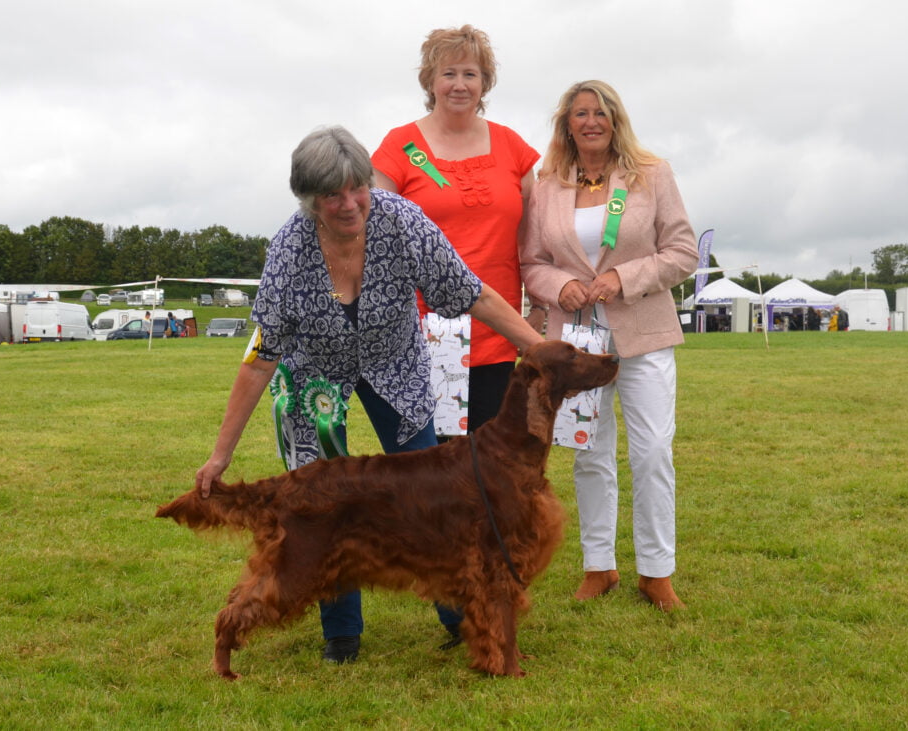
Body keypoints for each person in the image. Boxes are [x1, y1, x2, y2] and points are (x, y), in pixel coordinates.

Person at [195, 126, 542, 664]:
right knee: (320, 504)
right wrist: (221, 453)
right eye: (332, 195)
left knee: (433, 488)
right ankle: (341, 632)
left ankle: (461, 613)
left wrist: (538, 348)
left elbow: (471, 293)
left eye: (357, 186)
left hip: (395, 365)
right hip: (313, 378)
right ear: (310, 201)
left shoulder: (402, 221)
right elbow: (260, 358)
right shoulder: (289, 251)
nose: (350, 203)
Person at [520, 80, 698, 611]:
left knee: (652, 453)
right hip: (574, 346)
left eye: (600, 112)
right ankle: (600, 566)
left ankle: (656, 571)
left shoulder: (652, 174)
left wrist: (626, 277)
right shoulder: (546, 183)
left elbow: (683, 251)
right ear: (566, 124)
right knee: (589, 455)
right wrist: (559, 287)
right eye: (579, 114)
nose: (590, 121)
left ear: (615, 119)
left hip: (642, 336)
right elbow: (531, 264)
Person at [372, 24, 541, 433]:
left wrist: (538, 310)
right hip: (421, 334)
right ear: (430, 80)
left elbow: (533, 241)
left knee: (493, 461)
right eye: (449, 74)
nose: (460, 85)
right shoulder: (398, 148)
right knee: (433, 468)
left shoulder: (512, 147)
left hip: (499, 331)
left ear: (485, 83)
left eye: (471, 74)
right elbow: (374, 238)